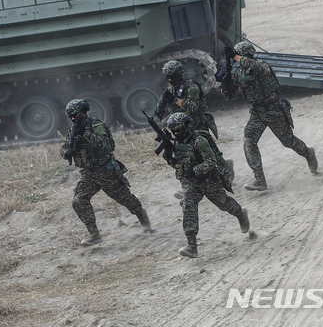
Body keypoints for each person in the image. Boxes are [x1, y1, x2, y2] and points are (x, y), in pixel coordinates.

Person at [223, 41, 318, 191]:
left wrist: (235, 57)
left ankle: (308, 153)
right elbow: (230, 92)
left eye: (240, 56)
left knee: (288, 141)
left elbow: (254, 66)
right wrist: (226, 79)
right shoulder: (239, 72)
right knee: (249, 141)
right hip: (257, 112)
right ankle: (259, 178)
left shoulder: (261, 66)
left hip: (273, 109)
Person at [61, 98, 152, 246]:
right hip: (88, 173)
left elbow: (107, 145)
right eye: (70, 116)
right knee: (78, 200)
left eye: (75, 115)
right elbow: (64, 147)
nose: (72, 118)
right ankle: (94, 234)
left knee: (125, 199)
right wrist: (67, 151)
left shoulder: (95, 125)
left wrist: (85, 133)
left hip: (105, 171)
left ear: (83, 112)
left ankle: (142, 217)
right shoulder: (73, 130)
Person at [163, 112, 250, 258]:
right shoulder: (178, 143)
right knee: (188, 205)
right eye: (174, 131)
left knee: (224, 204)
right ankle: (192, 246)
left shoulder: (199, 140)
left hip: (209, 181)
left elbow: (211, 162)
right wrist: (171, 161)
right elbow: (181, 168)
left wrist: (195, 171)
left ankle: (241, 213)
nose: (176, 133)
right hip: (192, 185)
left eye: (179, 130)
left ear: (187, 126)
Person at [156, 60, 234, 198]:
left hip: (198, 125)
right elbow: (162, 106)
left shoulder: (191, 87)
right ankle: (187, 187)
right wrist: (160, 107)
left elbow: (192, 107)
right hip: (182, 129)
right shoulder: (171, 90)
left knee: (210, 155)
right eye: (167, 76)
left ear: (179, 74)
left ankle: (227, 167)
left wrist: (174, 100)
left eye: (172, 76)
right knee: (183, 157)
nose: (169, 79)